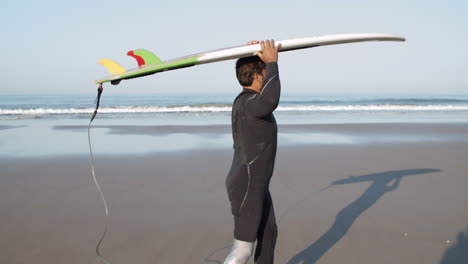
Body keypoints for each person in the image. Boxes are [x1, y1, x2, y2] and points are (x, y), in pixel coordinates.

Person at [224, 40, 281, 264]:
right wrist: (273, 63)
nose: (268, 77)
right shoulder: (250, 105)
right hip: (248, 185)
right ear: (258, 77)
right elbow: (270, 99)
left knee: (268, 235)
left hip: (255, 183)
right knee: (242, 250)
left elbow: (267, 94)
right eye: (265, 72)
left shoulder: (244, 102)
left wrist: (267, 58)